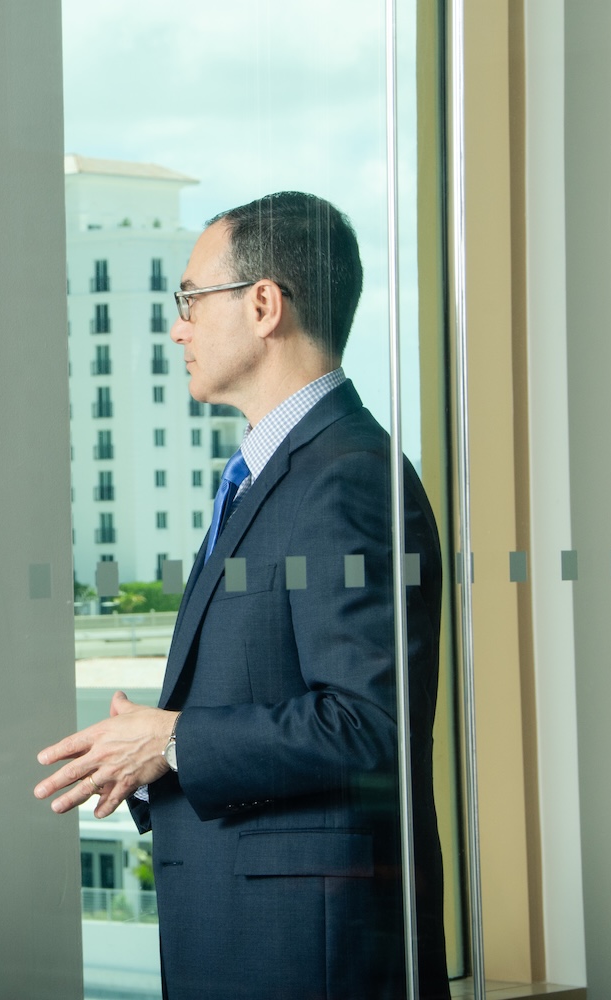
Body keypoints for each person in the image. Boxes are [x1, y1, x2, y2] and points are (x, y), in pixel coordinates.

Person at [34, 192, 449, 999]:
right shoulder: (283, 474)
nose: (177, 327)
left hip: (304, 949)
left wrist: (175, 741)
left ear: (264, 305)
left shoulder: (346, 478)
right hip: (258, 929)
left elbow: (372, 723)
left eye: (189, 300)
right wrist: (156, 755)